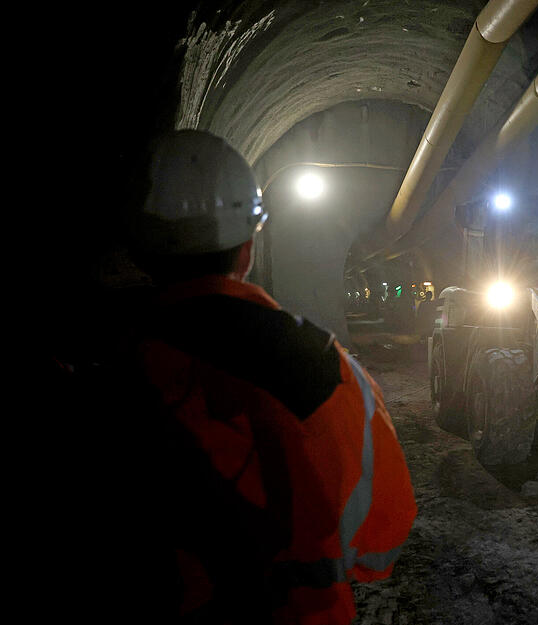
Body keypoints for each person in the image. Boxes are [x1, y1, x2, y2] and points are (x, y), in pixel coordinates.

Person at [127, 129, 416, 624]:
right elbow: (382, 539)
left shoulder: (103, 367)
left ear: (136, 249)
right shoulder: (319, 366)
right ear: (247, 246)